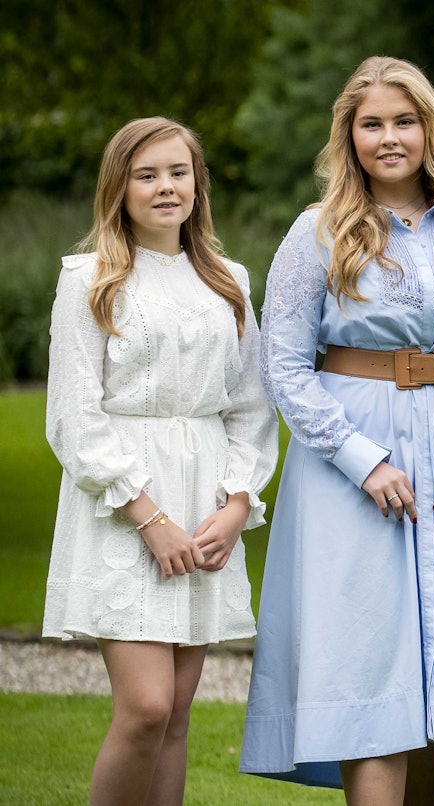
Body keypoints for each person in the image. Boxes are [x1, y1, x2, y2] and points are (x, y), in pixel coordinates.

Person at [238, 56, 434, 803]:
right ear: (348, 136)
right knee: (369, 660)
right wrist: (362, 459)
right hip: (355, 469)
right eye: (370, 123)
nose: (388, 137)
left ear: (428, 129)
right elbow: (282, 364)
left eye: (403, 121)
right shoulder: (316, 233)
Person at [42, 116, 279, 806]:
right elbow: (73, 416)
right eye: (146, 175)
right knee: (144, 708)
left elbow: (250, 406)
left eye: (178, 172)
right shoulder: (89, 279)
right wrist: (147, 515)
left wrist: (236, 504)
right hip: (126, 504)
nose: (165, 186)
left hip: (206, 499)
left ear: (198, 184)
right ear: (120, 188)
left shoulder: (228, 280)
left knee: (176, 715)